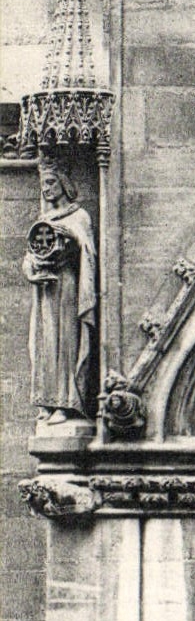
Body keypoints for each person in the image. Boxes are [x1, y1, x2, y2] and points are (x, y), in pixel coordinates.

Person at [22, 159, 97, 425]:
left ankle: (66, 404)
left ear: (64, 183)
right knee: (44, 342)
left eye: (52, 182)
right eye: (44, 184)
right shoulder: (44, 219)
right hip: (45, 288)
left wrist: (75, 237)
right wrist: (32, 269)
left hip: (67, 286)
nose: (47, 189)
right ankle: (46, 401)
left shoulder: (79, 216)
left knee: (65, 341)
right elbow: (31, 255)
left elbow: (89, 253)